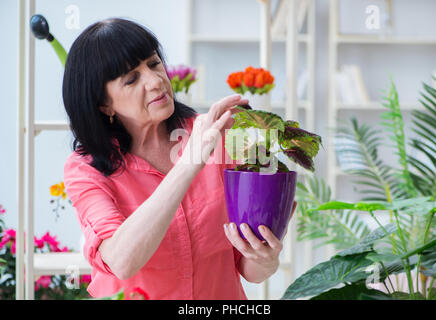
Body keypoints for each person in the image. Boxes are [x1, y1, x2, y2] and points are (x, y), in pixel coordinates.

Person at [63, 18, 295, 300]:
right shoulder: (86, 169)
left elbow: (247, 267)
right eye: (132, 79)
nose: (155, 80)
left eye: (153, 63)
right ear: (104, 104)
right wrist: (190, 162)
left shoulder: (214, 133)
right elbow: (121, 261)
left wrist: (265, 257)